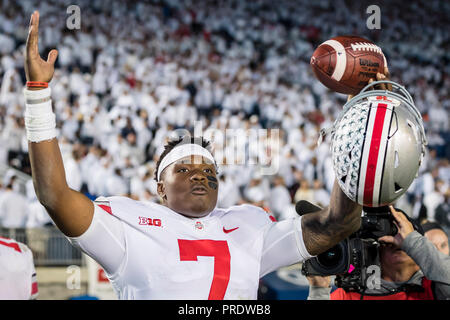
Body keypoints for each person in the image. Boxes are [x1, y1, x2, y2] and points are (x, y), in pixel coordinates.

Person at [23, 11, 362, 300]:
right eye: (183, 169)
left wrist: (357, 131)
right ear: (160, 189)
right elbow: (54, 195)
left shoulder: (249, 226)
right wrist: (38, 94)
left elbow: (337, 223)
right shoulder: (129, 227)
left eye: (207, 169)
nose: (199, 174)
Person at [307, 207, 450, 300]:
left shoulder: (432, 288)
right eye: (386, 235)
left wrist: (411, 241)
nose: (394, 240)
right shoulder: (349, 294)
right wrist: (318, 291)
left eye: (399, 231)